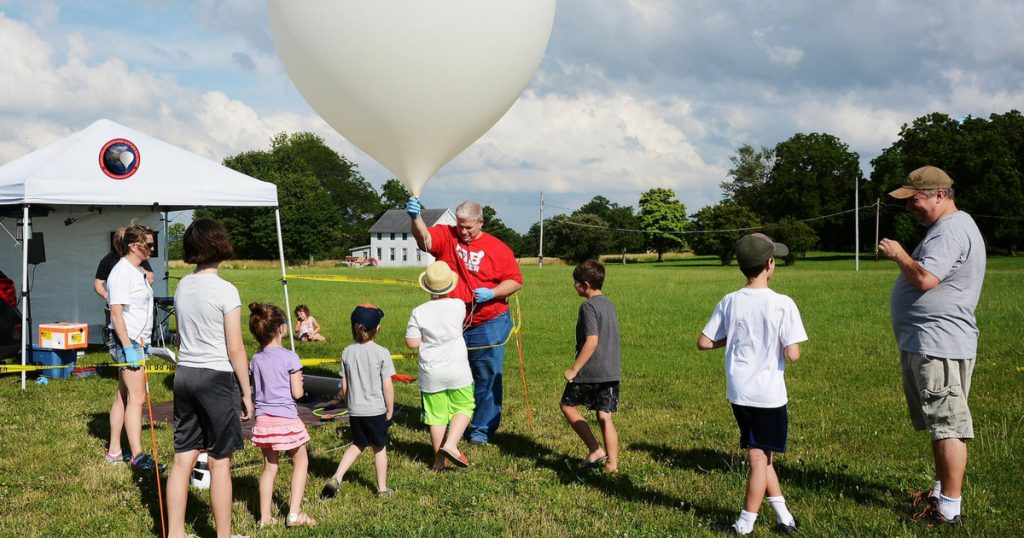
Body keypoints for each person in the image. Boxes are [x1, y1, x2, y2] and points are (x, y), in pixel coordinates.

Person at [878, 166, 985, 526]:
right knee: (939, 422)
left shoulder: (951, 231)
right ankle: (940, 492)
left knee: (948, 424)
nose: (910, 208)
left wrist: (900, 255)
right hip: (929, 341)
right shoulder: (948, 228)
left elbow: (925, 278)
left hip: (940, 342)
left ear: (940, 195)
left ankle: (948, 510)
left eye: (916, 199)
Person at [697, 233, 806, 535]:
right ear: (770, 264)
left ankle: (785, 518)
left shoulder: (729, 301)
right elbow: (793, 355)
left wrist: (731, 338)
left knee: (762, 453)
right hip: (768, 395)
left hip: (739, 392)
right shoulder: (783, 304)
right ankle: (744, 524)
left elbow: (704, 343)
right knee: (759, 459)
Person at [407, 198, 523, 444]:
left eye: (469, 227)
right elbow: (424, 239)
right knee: (450, 373)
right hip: (452, 325)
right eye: (460, 226)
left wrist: (493, 293)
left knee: (487, 375)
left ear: (481, 222)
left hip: (488, 321)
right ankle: (447, 421)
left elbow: (515, 280)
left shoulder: (498, 248)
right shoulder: (447, 236)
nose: (464, 231)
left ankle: (481, 429)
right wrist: (416, 218)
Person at [165, 219, 253, 538]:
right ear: (220, 245)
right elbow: (235, 347)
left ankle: (175, 533)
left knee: (182, 459)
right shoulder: (226, 290)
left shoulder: (182, 285)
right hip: (216, 378)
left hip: (184, 374)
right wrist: (247, 391)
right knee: (219, 461)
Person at [248, 302, 316, 529]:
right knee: (301, 461)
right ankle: (294, 514)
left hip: (264, 420)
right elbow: (297, 393)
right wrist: (301, 385)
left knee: (269, 468)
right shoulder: (290, 357)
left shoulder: (256, 359)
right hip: (286, 419)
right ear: (281, 328)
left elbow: (256, 388)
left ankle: (265, 518)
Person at [321, 304, 396, 499]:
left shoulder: (347, 352)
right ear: (377, 328)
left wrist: (347, 403)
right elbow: (387, 387)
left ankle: (336, 477)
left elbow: (344, 388)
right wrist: (390, 410)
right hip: (375, 410)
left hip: (355, 411)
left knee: (357, 444)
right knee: (379, 448)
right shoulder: (382, 353)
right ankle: (381, 489)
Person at [406, 262, 475, 471]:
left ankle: (438, 461)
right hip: (458, 369)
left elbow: (412, 343)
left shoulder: (418, 311)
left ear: (426, 286)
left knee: (436, 417)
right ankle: (452, 444)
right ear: (450, 285)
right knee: (464, 406)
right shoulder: (459, 306)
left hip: (431, 371)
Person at [103, 224, 161, 471]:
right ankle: (137, 454)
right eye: (148, 245)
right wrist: (128, 348)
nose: (152, 248)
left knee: (123, 396)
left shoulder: (137, 270)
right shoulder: (121, 273)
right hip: (127, 341)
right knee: (137, 398)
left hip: (138, 341)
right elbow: (116, 313)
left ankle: (115, 450)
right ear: (134, 247)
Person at [561, 260, 621, 473]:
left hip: (590, 371)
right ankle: (612, 464)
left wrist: (574, 369)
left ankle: (595, 449)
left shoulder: (588, 306)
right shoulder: (609, 303)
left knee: (568, 405)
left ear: (585, 285)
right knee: (605, 415)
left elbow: (592, 340)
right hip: (611, 371)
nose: (574, 286)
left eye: (575, 283)